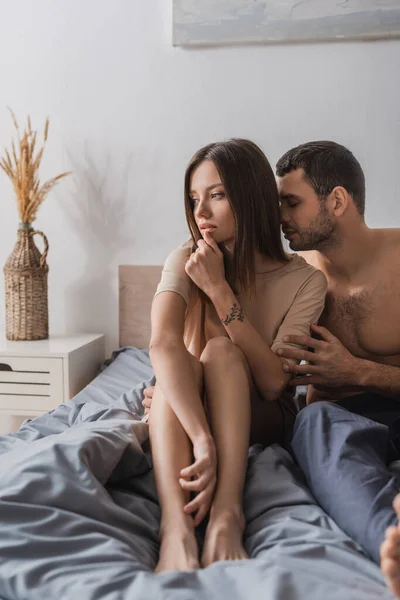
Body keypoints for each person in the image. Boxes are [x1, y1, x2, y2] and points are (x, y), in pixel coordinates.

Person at [148, 139, 327, 573]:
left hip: (261, 412)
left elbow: (272, 383)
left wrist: (218, 291)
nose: (201, 213)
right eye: (194, 199)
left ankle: (227, 515)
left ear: (249, 196)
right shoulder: (185, 258)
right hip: (197, 408)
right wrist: (199, 432)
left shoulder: (305, 280)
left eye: (217, 195)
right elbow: (162, 344)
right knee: (179, 368)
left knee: (222, 352)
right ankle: (175, 527)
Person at [275, 140, 400, 590]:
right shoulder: (290, 278)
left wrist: (358, 372)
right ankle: (392, 540)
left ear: (338, 200)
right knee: (313, 424)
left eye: (291, 203)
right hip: (339, 419)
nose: (280, 217)